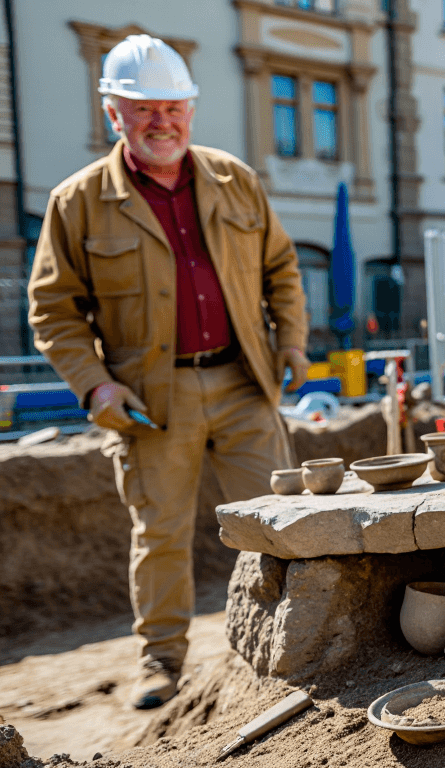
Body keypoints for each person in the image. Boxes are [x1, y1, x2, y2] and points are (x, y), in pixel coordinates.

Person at [27, 35, 308, 710]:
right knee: (159, 535)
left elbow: (281, 269)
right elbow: (54, 310)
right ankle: (161, 661)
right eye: (144, 108)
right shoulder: (77, 201)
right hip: (150, 398)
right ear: (113, 113)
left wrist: (292, 344)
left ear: (190, 110)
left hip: (243, 380)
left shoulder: (235, 179)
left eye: (173, 108)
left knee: (279, 519)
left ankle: (299, 641)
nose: (162, 122)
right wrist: (96, 385)